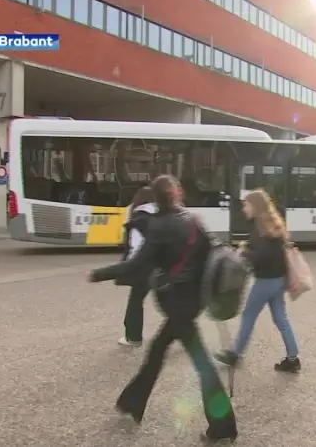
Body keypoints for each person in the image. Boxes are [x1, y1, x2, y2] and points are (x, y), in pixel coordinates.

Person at [87, 175, 237, 443]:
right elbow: (214, 253)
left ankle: (223, 426)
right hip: (191, 301)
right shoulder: (193, 221)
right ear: (177, 193)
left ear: (156, 199)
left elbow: (135, 266)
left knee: (199, 365)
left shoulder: (159, 227)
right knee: (157, 352)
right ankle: (132, 402)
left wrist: (99, 273)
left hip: (177, 304)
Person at [215, 189, 301, 373]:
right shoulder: (272, 222)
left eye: (246, 204)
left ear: (255, 206)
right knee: (281, 319)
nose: (244, 208)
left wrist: (244, 254)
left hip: (266, 281)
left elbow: (261, 255)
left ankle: (235, 355)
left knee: (248, 316)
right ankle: (293, 358)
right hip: (278, 279)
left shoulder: (260, 226)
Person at [117, 186, 157, 347]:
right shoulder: (159, 214)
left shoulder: (139, 217)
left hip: (143, 266)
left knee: (135, 301)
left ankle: (133, 337)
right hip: (161, 264)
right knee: (171, 299)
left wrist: (129, 264)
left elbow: (136, 244)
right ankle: (185, 333)